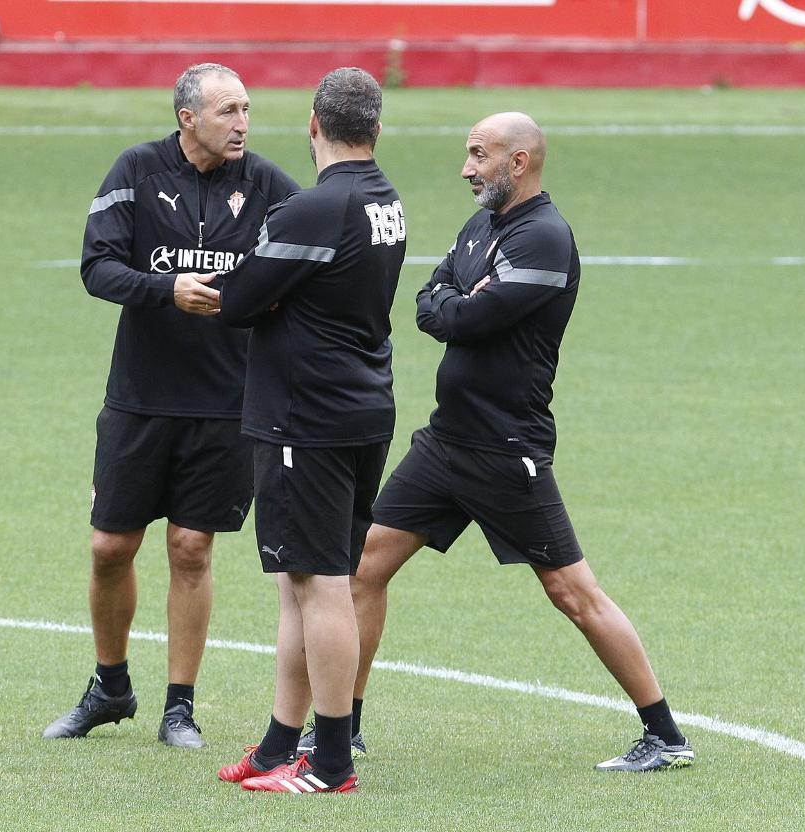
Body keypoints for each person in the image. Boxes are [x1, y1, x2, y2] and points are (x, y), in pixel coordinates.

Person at [314, 111, 694, 773]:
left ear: (517, 162)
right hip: (445, 443)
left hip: (503, 447)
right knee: (364, 566)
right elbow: (429, 302)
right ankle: (345, 729)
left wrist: (459, 302)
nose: (466, 168)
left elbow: (471, 315)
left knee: (572, 591)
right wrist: (455, 300)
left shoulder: (545, 238)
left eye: (478, 155)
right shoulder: (481, 228)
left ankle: (664, 734)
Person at [42, 64, 298, 749]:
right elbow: (97, 266)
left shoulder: (271, 186)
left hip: (225, 402)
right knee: (109, 546)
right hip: (139, 399)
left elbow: (310, 267)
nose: (242, 122)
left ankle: (178, 707)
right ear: (188, 117)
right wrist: (166, 288)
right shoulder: (136, 169)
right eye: (227, 111)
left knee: (191, 549)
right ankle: (109, 686)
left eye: (246, 108)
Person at [214, 67, 406, 794]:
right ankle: (276, 746)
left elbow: (240, 302)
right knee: (301, 580)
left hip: (305, 416)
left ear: (313, 126)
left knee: (322, 583)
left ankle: (329, 763)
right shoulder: (385, 199)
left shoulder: (313, 209)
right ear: (377, 130)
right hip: (361, 408)